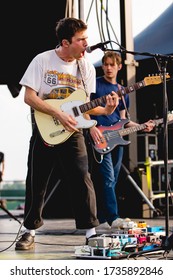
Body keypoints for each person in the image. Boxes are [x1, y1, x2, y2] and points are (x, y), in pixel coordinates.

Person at [15, 18, 119, 250]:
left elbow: (88, 106)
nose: (86, 43)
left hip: (73, 131)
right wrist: (58, 113)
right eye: (81, 39)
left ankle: (91, 231)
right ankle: (29, 230)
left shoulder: (87, 68)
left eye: (86, 38)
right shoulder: (42, 60)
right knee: (37, 180)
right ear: (65, 42)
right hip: (45, 128)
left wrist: (108, 109)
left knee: (83, 177)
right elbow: (29, 97)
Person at [88, 51, 155, 229]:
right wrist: (91, 127)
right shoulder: (94, 86)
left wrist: (142, 125)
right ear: (102, 66)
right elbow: (84, 111)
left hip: (117, 140)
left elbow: (123, 121)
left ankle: (102, 219)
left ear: (119, 67)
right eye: (106, 64)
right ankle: (113, 217)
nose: (109, 68)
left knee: (112, 180)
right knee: (108, 178)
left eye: (112, 64)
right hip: (100, 138)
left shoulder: (122, 92)